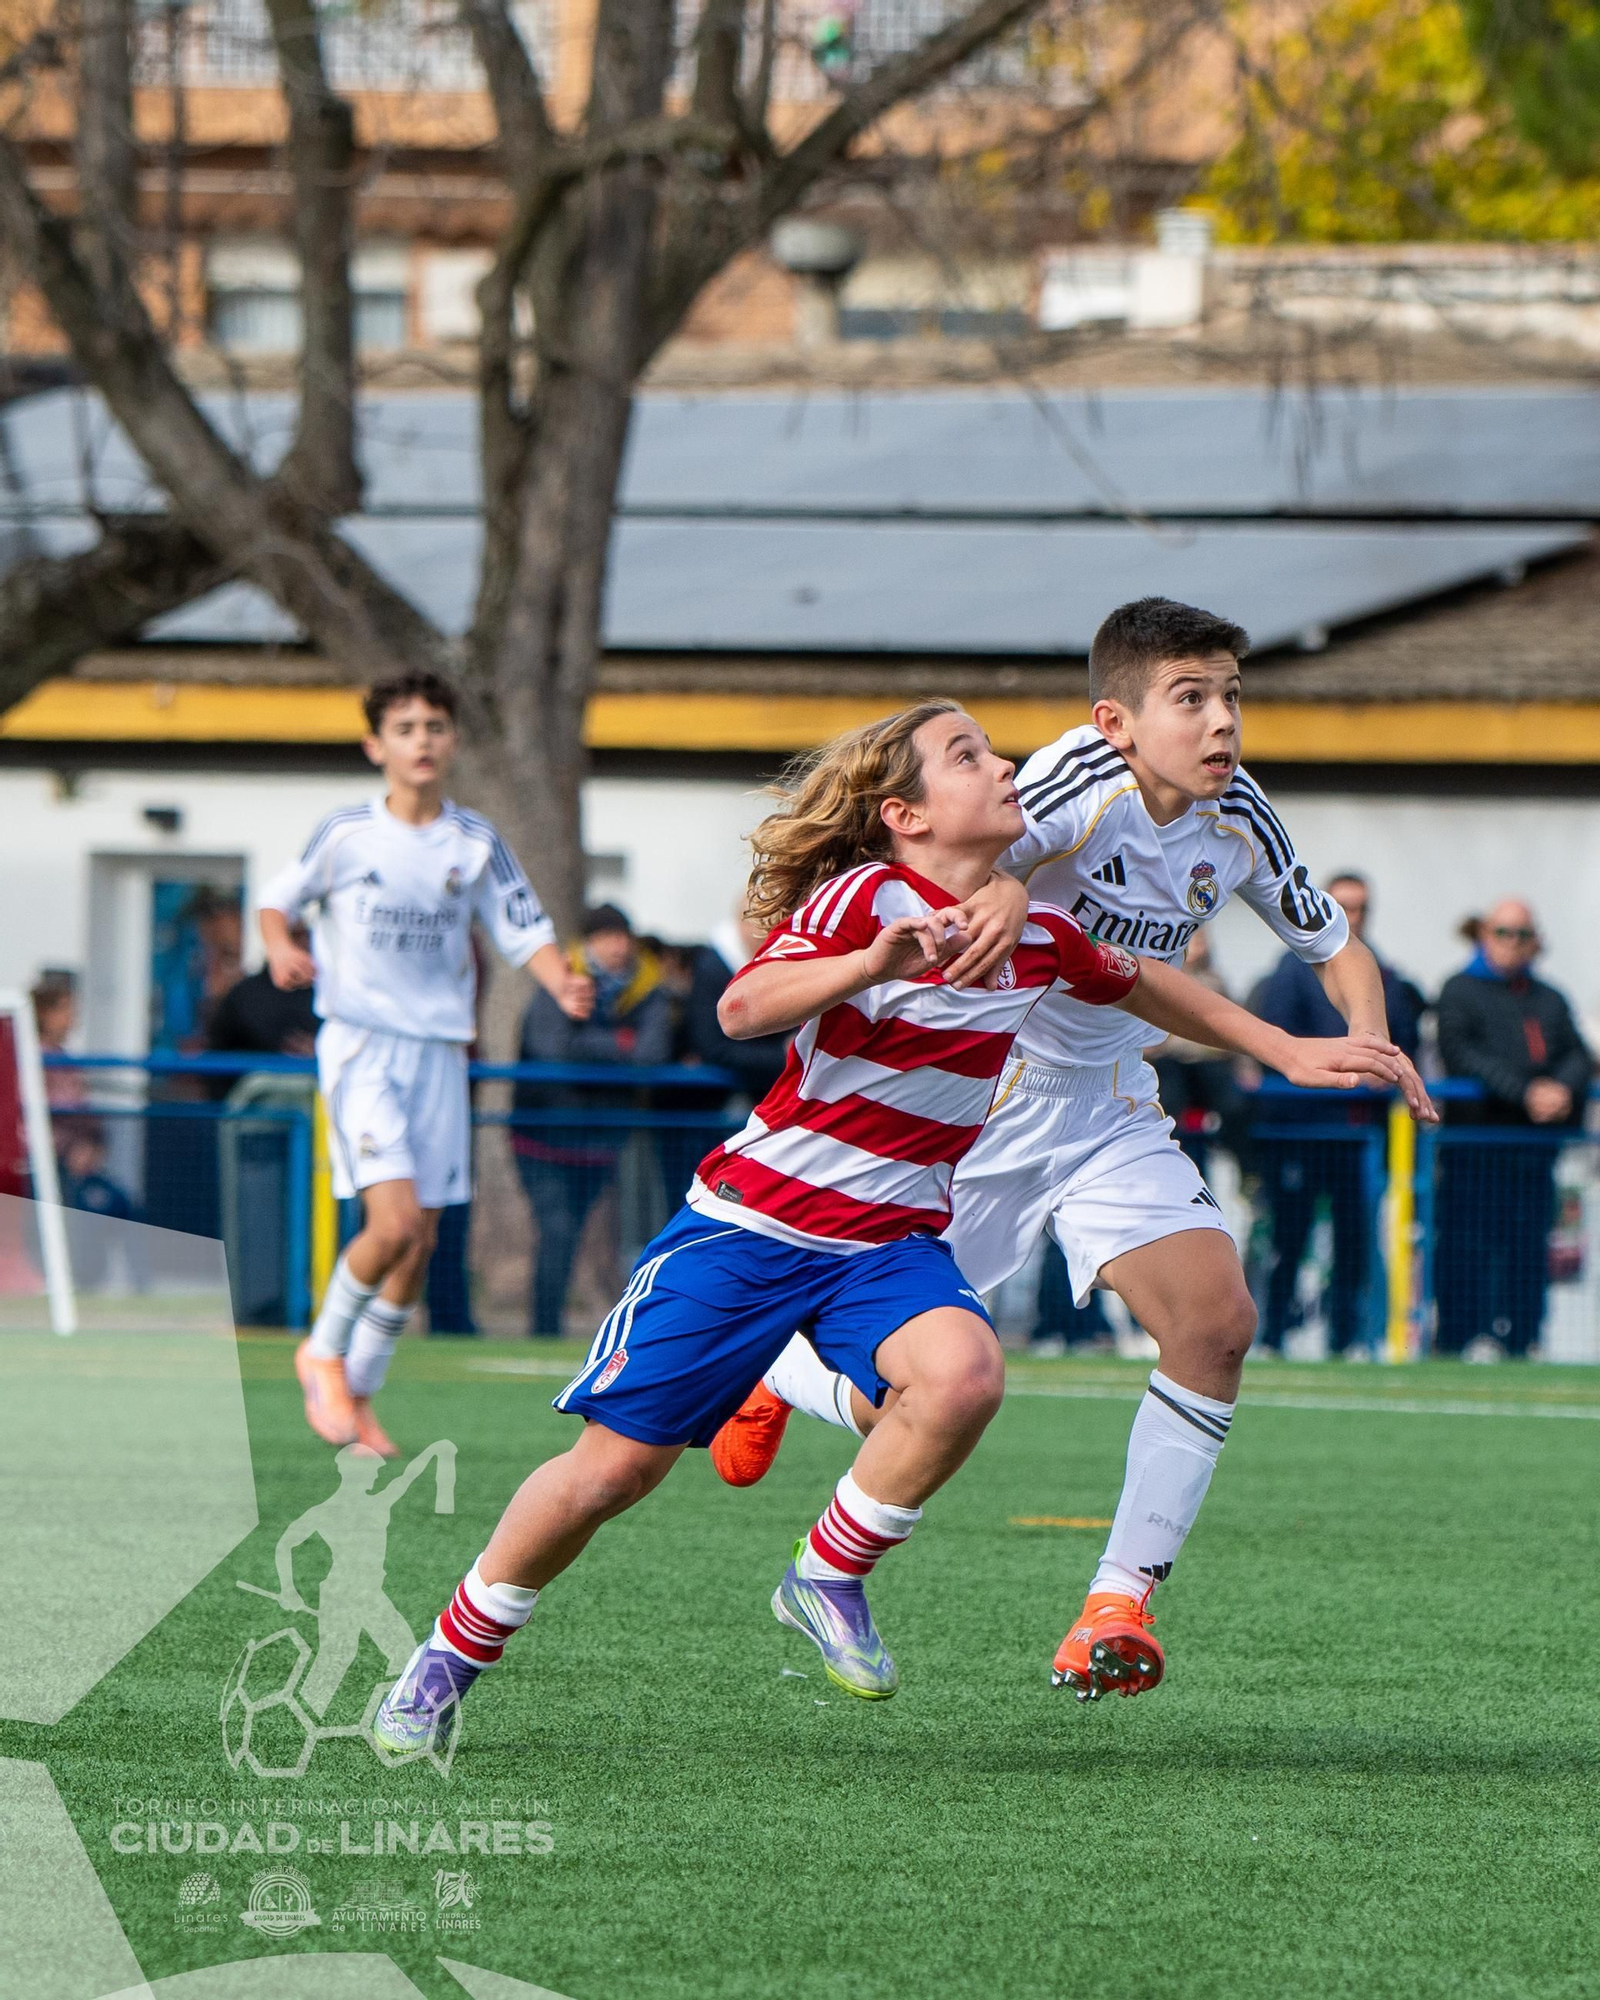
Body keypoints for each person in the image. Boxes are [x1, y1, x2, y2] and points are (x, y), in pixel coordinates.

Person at [370, 701, 1410, 1742]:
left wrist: (1284, 1048)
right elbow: (743, 1007)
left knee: (965, 1374)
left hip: (886, 1246)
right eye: (968, 755)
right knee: (615, 1472)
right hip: (750, 1228)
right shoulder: (862, 895)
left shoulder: (1040, 936)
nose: (1003, 764)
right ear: (905, 813)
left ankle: (825, 1570)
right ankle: (448, 1653)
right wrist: (874, 963)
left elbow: (1147, 985)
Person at [709, 596, 1436, 1703]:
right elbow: (983, 858)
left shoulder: (1235, 810)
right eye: (1189, 698)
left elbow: (1331, 941)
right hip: (986, 1100)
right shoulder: (1067, 781)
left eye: (1231, 695)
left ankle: (1115, 1602)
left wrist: (1366, 1039)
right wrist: (1000, 890)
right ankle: (775, 1367)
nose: (1221, 721)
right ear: (1115, 721)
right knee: (901, 1390)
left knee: (1217, 1322)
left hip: (1109, 1102)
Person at [260, 670, 592, 1458]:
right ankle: (321, 1350)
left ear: (452, 741)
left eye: (436, 727)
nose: (423, 741)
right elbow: (278, 900)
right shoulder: (346, 834)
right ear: (377, 745)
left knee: (422, 1242)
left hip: (441, 1055)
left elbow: (523, 927)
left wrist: (562, 982)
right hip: (362, 1046)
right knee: (394, 1222)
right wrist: (280, 946)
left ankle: (362, 1391)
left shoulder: (473, 842)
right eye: (406, 728)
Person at [1250, 871, 1426, 1355]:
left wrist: (1383, 1068)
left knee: (1355, 1243)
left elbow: (1404, 1040)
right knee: (1289, 1238)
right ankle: (1273, 1335)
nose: (1354, 916)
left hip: (1361, 1138)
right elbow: (1278, 1042)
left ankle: (1346, 1338)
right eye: (1343, 905)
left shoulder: (1385, 974)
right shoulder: (1290, 970)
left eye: (1362, 906)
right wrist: (1348, 1069)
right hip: (1301, 1132)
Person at [1434, 900, 1592, 1360]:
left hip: (1532, 1151)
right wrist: (1526, 1093)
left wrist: (1560, 1089)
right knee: (1469, 1246)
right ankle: (1463, 1337)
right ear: (1486, 934)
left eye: (1523, 934)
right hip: (1473, 1150)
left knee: (1526, 1248)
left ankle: (1523, 1337)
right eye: (1504, 932)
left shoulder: (1549, 997)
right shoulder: (1459, 990)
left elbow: (1576, 1055)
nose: (1513, 943)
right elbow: (1461, 1053)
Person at [512, 904, 675, 1337]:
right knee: (558, 1230)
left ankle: (554, 1325)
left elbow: (652, 1054)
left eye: (623, 936)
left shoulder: (648, 988)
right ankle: (543, 1328)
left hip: (601, 1138)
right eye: (606, 937)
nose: (617, 946)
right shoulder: (561, 976)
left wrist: (592, 1044)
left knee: (574, 1231)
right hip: (542, 1134)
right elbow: (552, 1046)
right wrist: (621, 1042)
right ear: (589, 942)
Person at [655, 909, 793, 1209]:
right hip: (703, 1110)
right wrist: (782, 1056)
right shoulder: (716, 967)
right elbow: (714, 1045)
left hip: (741, 1104)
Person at [207, 928, 319, 1059]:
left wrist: (318, 1050)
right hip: (259, 1076)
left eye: (306, 937)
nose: (302, 944)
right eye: (295, 936)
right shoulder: (246, 993)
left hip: (319, 1075)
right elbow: (220, 1048)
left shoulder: (326, 989)